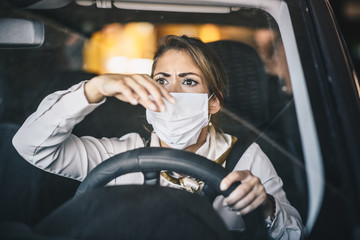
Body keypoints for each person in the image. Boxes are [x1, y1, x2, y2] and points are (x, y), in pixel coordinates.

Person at [13, 35, 304, 239]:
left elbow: (294, 235)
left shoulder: (247, 158)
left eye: (188, 81)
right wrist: (94, 88)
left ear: (213, 102)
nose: (172, 92)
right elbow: (32, 145)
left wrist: (265, 205)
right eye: (162, 80)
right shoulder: (120, 155)